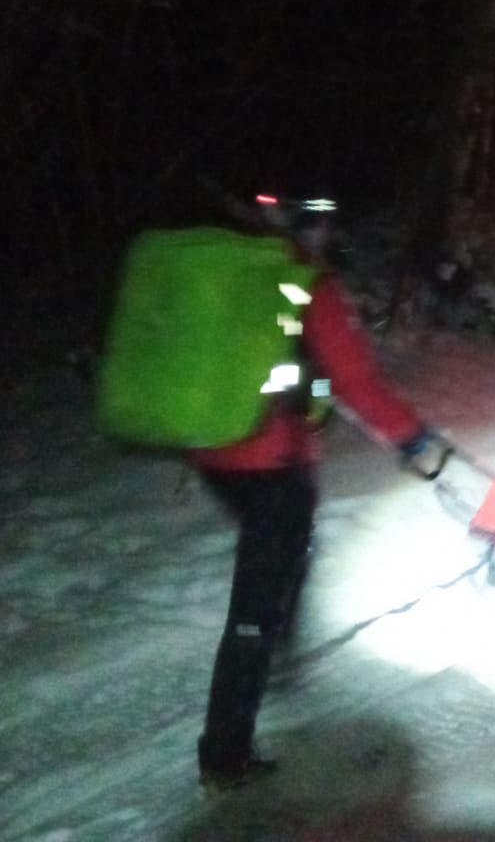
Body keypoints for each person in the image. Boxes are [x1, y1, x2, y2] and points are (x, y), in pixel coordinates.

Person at [191, 192, 439, 789]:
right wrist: (414, 438)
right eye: (322, 226)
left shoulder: (230, 270)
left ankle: (275, 647)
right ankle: (226, 751)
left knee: (286, 560)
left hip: (211, 452)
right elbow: (356, 379)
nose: (327, 238)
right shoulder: (305, 282)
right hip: (271, 462)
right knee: (255, 601)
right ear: (309, 228)